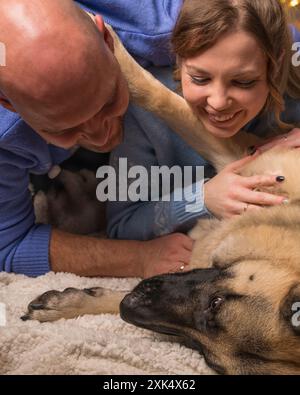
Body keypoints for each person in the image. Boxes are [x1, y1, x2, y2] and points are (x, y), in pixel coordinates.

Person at [0, 0, 194, 278]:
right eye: (66, 128)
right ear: (7, 102)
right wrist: (140, 258)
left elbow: (265, 23)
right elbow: (8, 244)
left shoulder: (162, 25)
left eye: (108, 102)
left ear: (106, 38)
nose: (103, 135)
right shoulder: (4, 130)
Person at [107, 0, 300, 241]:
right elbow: (121, 226)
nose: (218, 102)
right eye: (199, 78)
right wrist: (202, 199)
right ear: (178, 59)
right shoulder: (146, 111)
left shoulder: (293, 64)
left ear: (276, 65)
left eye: (243, 82)